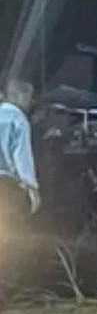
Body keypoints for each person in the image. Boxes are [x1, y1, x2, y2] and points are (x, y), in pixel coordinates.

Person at [0, 80, 40, 218]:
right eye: (29, 97)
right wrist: (32, 188)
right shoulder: (18, 120)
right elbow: (22, 156)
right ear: (19, 96)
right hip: (6, 186)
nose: (31, 102)